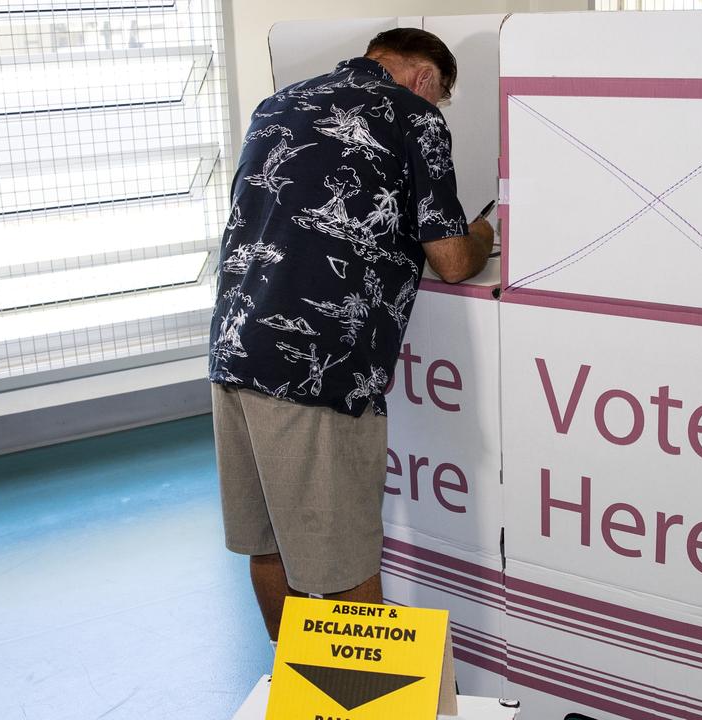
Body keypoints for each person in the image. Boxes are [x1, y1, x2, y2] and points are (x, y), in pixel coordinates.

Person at [208, 28, 493, 643]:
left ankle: (301, 692)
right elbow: (450, 258)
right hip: (316, 366)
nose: (436, 106)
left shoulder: (278, 104)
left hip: (234, 346)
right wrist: (486, 233)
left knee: (269, 542)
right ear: (423, 77)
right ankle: (362, 706)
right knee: (344, 566)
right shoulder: (411, 115)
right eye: (440, 95)